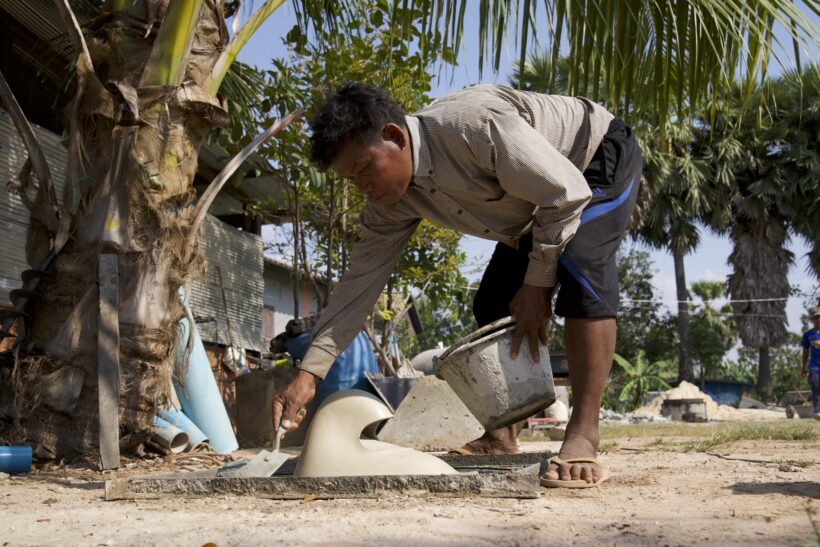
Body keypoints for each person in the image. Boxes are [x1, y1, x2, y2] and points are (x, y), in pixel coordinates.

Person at [272, 82, 642, 487]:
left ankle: (584, 433)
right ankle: (502, 433)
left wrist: (537, 285)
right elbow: (358, 287)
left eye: (363, 169)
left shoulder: (474, 127)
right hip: (537, 206)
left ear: (394, 136)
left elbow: (565, 195)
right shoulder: (388, 205)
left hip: (590, 160)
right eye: (351, 180)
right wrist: (309, 375)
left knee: (579, 268)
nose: (363, 187)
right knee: (493, 303)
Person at [801, 307, 820, 418]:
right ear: (812, 320)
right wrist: (804, 367)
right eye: (816, 318)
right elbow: (805, 351)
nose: (818, 320)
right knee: (816, 387)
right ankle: (817, 411)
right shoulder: (808, 335)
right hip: (814, 367)